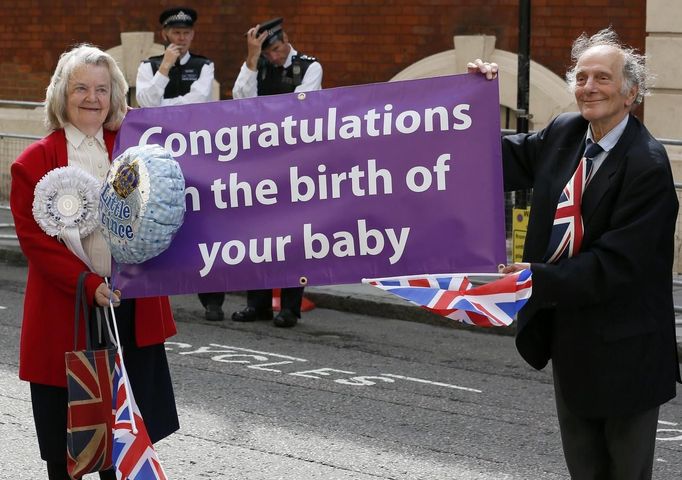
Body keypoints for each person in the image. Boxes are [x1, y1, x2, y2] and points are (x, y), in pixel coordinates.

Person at [469, 27, 680, 479]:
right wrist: (472, 102)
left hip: (628, 353)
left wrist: (534, 277)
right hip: (572, 343)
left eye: (603, 78)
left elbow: (614, 266)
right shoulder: (565, 133)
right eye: (582, 77)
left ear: (631, 94)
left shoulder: (647, 165)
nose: (589, 87)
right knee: (584, 472)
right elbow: (489, 160)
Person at [10, 44, 179, 480]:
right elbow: (36, 243)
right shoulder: (32, 164)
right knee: (71, 450)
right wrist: (88, 283)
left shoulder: (140, 151)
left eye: (102, 89)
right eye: (81, 87)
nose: (92, 98)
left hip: (130, 307)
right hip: (67, 316)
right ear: (61, 94)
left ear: (115, 96)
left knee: (127, 446)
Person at [230, 17, 323, 328]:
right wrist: (252, 57)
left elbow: (301, 111)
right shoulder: (258, 66)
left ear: (287, 40)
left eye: (277, 49)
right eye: (267, 52)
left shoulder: (309, 67)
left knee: (294, 236)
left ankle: (289, 308)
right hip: (261, 163)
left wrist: (263, 111)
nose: (274, 56)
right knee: (258, 235)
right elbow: (241, 99)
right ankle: (257, 304)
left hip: (296, 163)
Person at [136, 6, 221, 320]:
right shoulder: (150, 66)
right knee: (155, 218)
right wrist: (166, 68)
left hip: (196, 153)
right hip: (159, 156)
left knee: (204, 221)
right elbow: (145, 102)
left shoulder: (203, 65)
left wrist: (165, 107)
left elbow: (200, 101)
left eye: (186, 33)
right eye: (175, 33)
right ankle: (151, 291)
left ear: (192, 34)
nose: (181, 38)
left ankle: (213, 300)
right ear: (165, 35)